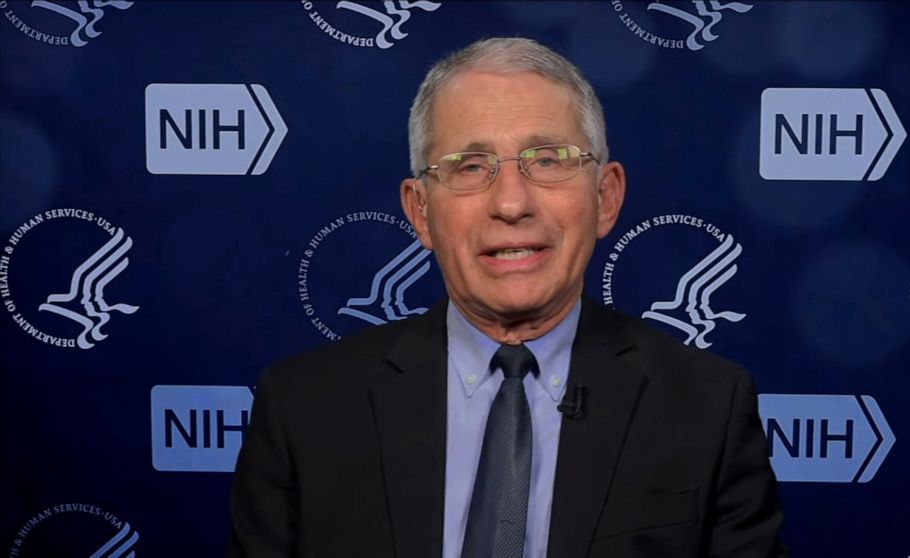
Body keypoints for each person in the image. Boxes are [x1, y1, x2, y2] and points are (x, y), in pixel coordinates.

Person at [228, 37, 786, 558]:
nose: (512, 203)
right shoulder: (302, 411)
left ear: (606, 197)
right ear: (420, 211)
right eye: (471, 167)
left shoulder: (709, 408)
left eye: (548, 160)